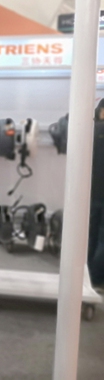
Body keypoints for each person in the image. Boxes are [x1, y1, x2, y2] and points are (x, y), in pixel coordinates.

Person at [88, 99, 104, 292]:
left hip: (91, 192)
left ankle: (88, 273)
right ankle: (97, 277)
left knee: (90, 234)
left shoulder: (91, 131)